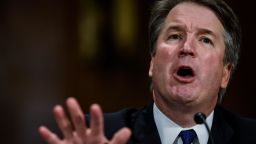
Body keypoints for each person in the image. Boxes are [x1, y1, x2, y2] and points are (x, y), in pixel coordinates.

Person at [39, 0, 256, 143]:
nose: (186, 48)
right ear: (152, 64)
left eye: (205, 40)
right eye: (174, 36)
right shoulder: (96, 134)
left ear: (225, 74)